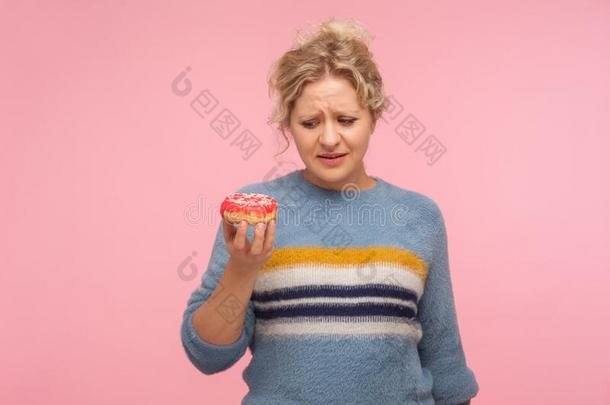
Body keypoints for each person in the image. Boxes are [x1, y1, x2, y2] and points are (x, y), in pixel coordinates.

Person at [180, 17, 479, 405]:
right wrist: (242, 267)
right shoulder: (256, 216)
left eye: (346, 120)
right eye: (309, 122)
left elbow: (445, 360)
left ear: (375, 117)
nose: (329, 138)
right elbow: (206, 354)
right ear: (288, 125)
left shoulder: (419, 217)